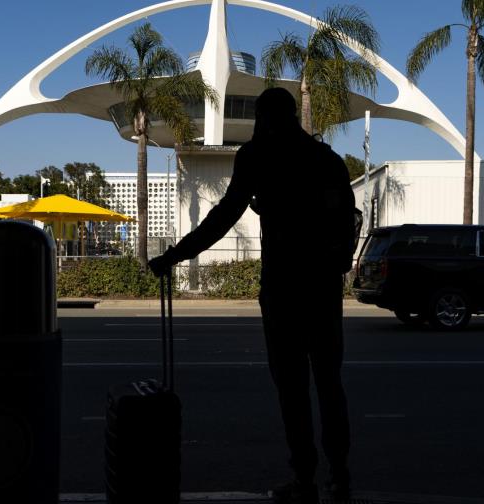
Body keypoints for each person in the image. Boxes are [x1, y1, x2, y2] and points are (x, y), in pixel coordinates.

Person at [148, 87, 355, 504]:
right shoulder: (327, 160)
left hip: (281, 290)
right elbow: (346, 222)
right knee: (330, 385)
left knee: (293, 390)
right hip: (322, 288)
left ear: (262, 118)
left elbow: (223, 217)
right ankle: (340, 474)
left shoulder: (258, 157)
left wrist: (176, 255)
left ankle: (305, 478)